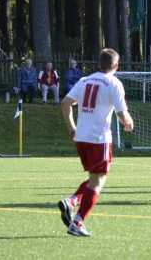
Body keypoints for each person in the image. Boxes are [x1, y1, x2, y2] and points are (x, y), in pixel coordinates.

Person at [57, 48, 134, 237]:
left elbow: (65, 102)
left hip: (81, 136)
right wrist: (129, 122)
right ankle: (78, 222)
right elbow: (122, 114)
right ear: (116, 65)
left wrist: (72, 127)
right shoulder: (114, 83)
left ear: (98, 64)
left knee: (94, 178)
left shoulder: (84, 80)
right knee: (98, 180)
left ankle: (72, 201)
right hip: (99, 139)